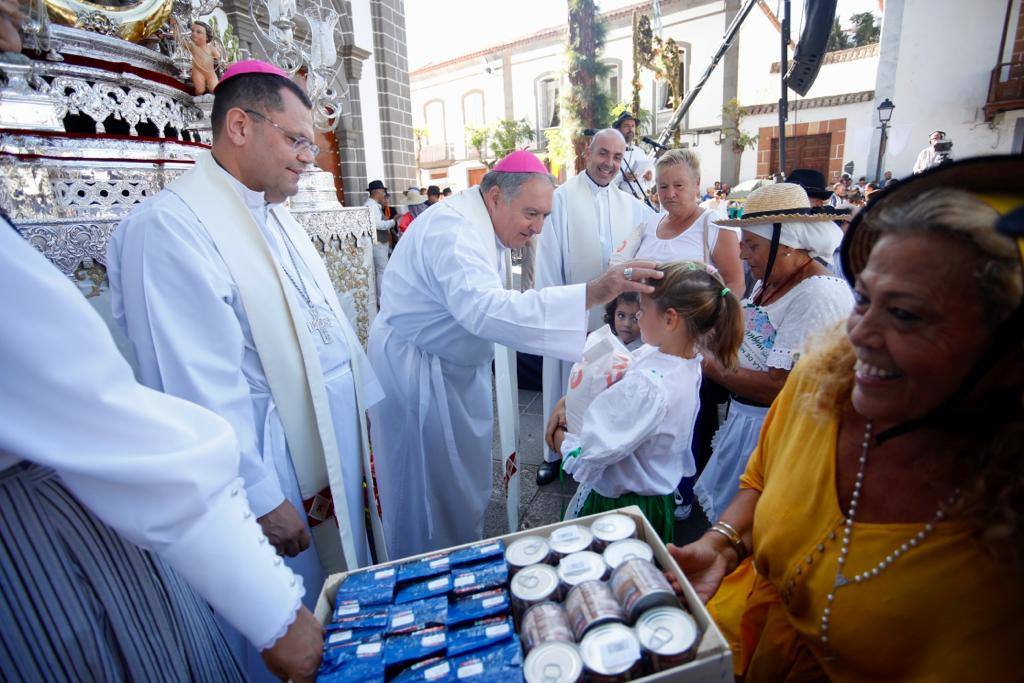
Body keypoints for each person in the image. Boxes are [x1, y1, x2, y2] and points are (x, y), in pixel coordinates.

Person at [671, 155, 1024, 680]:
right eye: (865, 300)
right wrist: (721, 543)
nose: (857, 336)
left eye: (905, 313)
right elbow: (762, 478)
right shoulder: (822, 382)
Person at [107, 60, 386, 681]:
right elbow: (193, 385)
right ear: (239, 124)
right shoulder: (170, 229)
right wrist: (258, 496)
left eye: (311, 142)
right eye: (296, 139)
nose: (309, 157)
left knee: (339, 610)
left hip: (324, 453)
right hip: (268, 463)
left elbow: (326, 333)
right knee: (287, 619)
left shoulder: (274, 215)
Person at [368, 149, 661, 559]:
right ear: (494, 197)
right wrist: (592, 293)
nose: (538, 228)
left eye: (544, 216)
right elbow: (486, 308)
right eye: (531, 214)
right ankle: (422, 568)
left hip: (454, 368)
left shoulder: (485, 222)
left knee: (461, 484)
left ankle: (459, 554)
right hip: (418, 374)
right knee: (424, 491)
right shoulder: (453, 232)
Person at [548, 262, 744, 543]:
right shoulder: (685, 362)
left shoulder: (651, 385)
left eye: (642, 310)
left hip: (620, 510)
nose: (637, 317)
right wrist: (568, 401)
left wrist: (559, 437)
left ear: (670, 319)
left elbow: (590, 457)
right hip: (653, 499)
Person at [693, 183, 853, 523]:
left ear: (788, 246)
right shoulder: (772, 281)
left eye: (752, 245)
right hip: (749, 425)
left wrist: (704, 362)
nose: (741, 254)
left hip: (779, 433)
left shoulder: (818, 295)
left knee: (758, 526)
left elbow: (778, 387)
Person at [534, 128, 654, 486]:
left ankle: (599, 451)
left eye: (618, 157)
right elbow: (547, 262)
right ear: (588, 152)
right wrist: (557, 312)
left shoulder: (634, 207)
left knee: (607, 386)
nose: (610, 164)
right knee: (562, 382)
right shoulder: (561, 199)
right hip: (572, 314)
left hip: (618, 319)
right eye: (604, 154)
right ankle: (553, 453)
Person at [171, 17, 221, 95]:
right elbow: (178, 38)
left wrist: (221, 62)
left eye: (198, 32)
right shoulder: (192, 47)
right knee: (200, 90)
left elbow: (219, 59)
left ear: (207, 37)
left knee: (215, 90)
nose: (194, 33)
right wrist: (174, 25)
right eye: (192, 31)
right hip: (198, 73)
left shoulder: (211, 48)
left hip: (211, 74)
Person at [365, 179, 396, 301]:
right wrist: (393, 221)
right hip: (378, 243)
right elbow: (377, 224)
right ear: (377, 192)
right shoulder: (371, 206)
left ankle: (382, 298)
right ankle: (382, 299)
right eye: (383, 192)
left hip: (379, 242)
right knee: (381, 271)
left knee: (381, 270)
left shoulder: (372, 205)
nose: (384, 195)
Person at [612, 110, 655, 199]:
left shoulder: (640, 152)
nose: (630, 129)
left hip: (641, 201)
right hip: (620, 202)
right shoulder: (612, 151)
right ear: (619, 129)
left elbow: (652, 179)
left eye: (633, 126)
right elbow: (604, 180)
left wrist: (650, 176)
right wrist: (622, 178)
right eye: (627, 126)